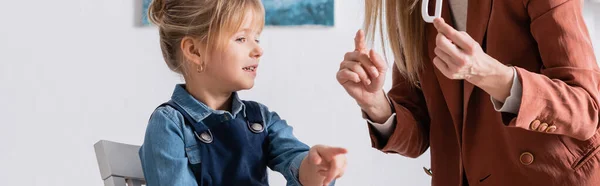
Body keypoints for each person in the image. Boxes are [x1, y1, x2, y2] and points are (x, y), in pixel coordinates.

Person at [336, 0, 600, 185]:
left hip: (553, 176)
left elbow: (586, 109)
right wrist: (376, 104)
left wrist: (492, 76)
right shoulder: (414, 7)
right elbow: (419, 134)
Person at [138, 0, 347, 185]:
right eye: (241, 39)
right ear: (195, 51)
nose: (258, 50)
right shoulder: (169, 125)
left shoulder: (262, 120)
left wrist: (315, 166)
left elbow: (296, 161)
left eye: (257, 38)